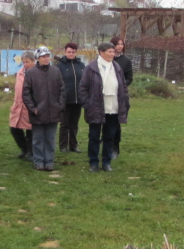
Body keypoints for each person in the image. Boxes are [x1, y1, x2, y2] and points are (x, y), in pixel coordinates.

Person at [79, 41, 129, 172]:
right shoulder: (91, 68)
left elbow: (123, 86)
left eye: (113, 52)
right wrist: (87, 104)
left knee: (109, 136)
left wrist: (125, 102)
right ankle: (93, 162)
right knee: (94, 136)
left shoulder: (116, 67)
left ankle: (106, 162)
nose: (113, 54)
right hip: (96, 107)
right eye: (110, 51)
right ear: (101, 52)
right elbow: (83, 88)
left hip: (113, 107)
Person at [22, 45, 65, 171]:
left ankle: (49, 161)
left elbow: (62, 89)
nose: (46, 59)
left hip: (53, 111)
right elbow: (26, 93)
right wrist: (33, 108)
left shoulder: (55, 71)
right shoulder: (31, 73)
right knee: (38, 139)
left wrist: (60, 105)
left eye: (47, 56)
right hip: (38, 112)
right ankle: (38, 161)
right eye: (43, 56)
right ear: (37, 58)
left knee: (50, 139)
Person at [56, 42, 85, 153]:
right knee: (64, 124)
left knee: (74, 124)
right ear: (65, 52)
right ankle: (63, 146)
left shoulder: (81, 65)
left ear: (76, 52)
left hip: (78, 100)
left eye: (73, 52)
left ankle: (73, 145)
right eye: (69, 52)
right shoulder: (59, 66)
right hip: (65, 99)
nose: (71, 54)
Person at [9, 50, 35, 159]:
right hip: (18, 106)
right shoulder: (20, 72)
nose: (25, 64)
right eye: (23, 62)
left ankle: (31, 151)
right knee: (14, 128)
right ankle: (24, 149)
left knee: (31, 131)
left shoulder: (36, 73)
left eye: (27, 62)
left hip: (30, 107)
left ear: (33, 61)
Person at [110, 36, 133, 159]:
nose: (120, 46)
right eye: (118, 44)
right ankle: (106, 145)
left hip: (120, 95)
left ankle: (115, 148)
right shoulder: (106, 59)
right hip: (106, 94)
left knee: (116, 122)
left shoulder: (126, 61)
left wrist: (121, 85)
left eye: (121, 44)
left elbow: (130, 77)